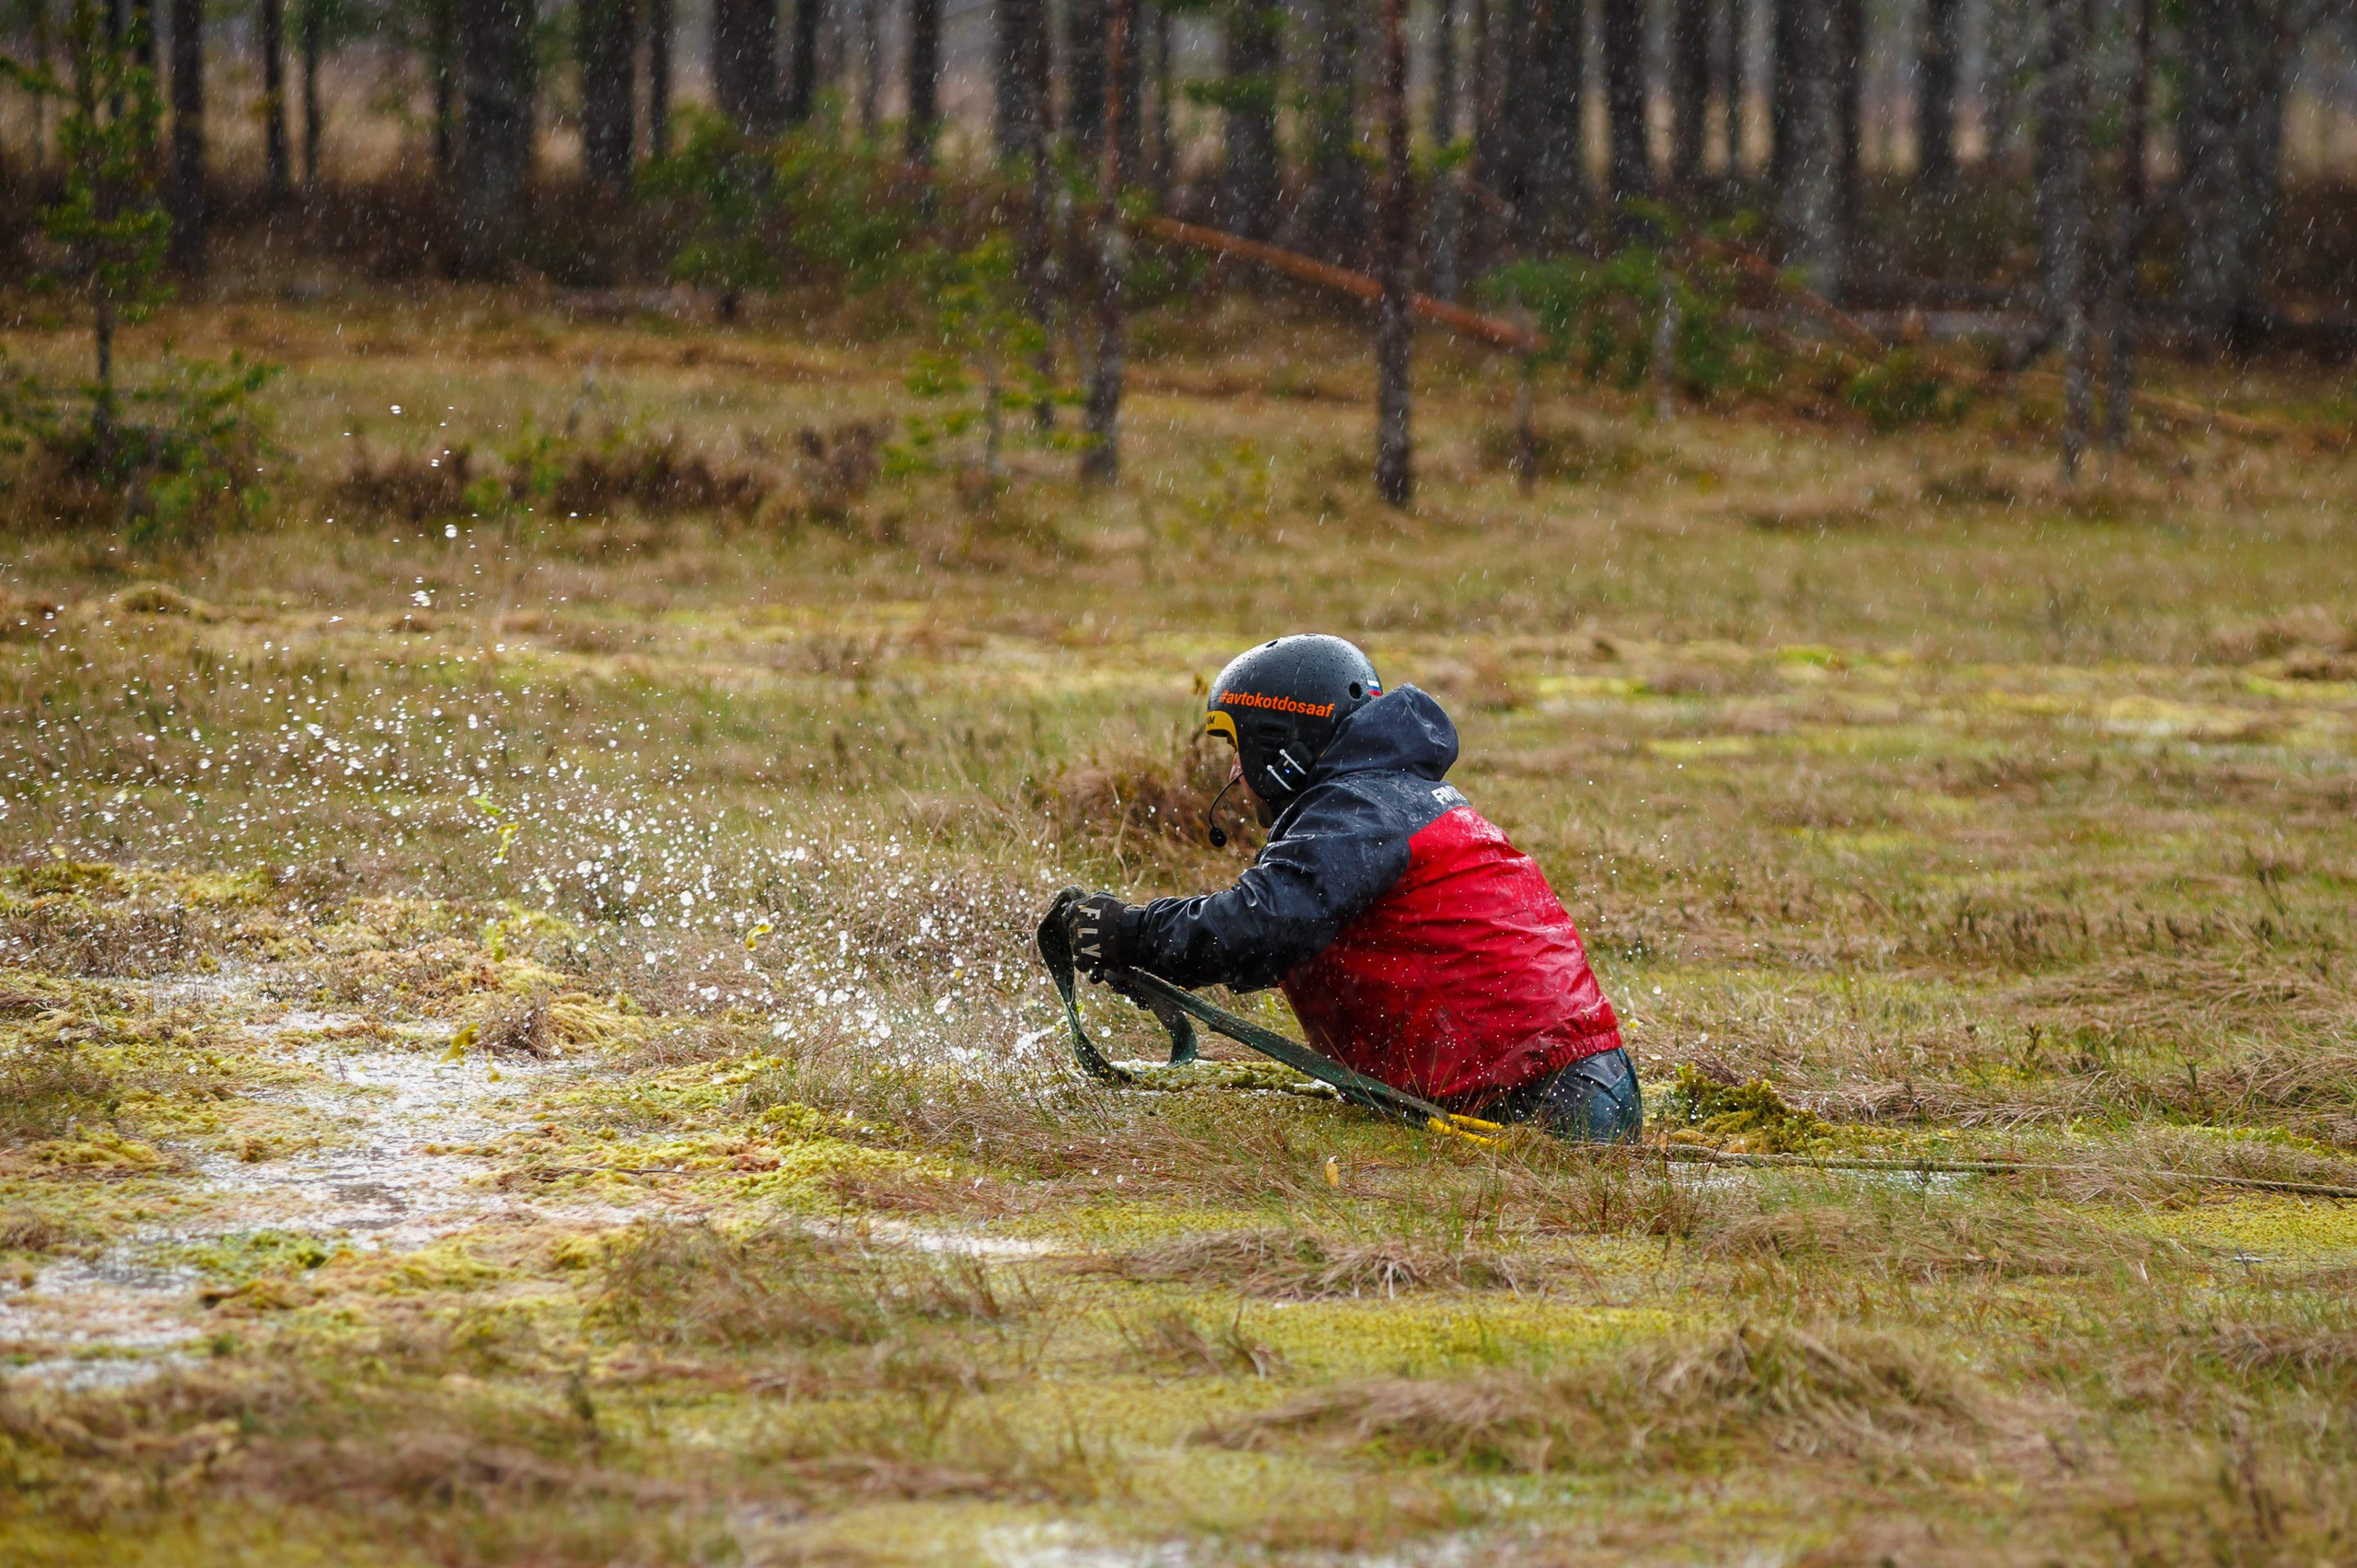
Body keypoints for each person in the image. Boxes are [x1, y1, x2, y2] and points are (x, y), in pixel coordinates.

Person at [1051, 633, 1639, 1141]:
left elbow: (1260, 929)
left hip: (1541, 1105)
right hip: (1578, 1088)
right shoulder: (1387, 798)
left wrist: (1129, 933)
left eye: (1238, 748)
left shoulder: (1358, 809)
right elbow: (1268, 943)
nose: (1233, 772)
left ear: (1277, 741)